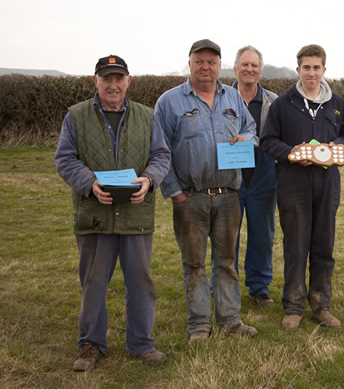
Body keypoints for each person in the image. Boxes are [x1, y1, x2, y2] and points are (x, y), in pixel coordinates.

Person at [55, 55, 171, 371]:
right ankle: (91, 345)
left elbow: (162, 156)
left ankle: (141, 344)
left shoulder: (148, 117)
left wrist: (149, 179)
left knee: (141, 282)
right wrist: (89, 183)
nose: (113, 85)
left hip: (135, 215)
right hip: (95, 214)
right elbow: (64, 159)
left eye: (119, 78)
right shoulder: (76, 116)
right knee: (93, 282)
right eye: (107, 79)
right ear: (96, 81)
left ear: (128, 82)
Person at [154, 39, 258, 342]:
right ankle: (199, 324)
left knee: (226, 261)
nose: (205, 67)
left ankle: (230, 319)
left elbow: (251, 129)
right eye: (199, 61)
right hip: (191, 197)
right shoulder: (170, 102)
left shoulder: (233, 97)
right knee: (194, 264)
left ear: (219, 65)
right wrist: (175, 192)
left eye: (212, 62)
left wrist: (247, 140)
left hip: (228, 196)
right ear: (189, 64)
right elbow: (160, 150)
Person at [260, 44, 344, 331]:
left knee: (323, 245)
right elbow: (267, 142)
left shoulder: (337, 103)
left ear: (324, 70)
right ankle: (293, 306)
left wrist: (338, 146)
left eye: (317, 68)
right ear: (298, 69)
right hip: (294, 184)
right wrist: (293, 153)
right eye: (306, 67)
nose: (311, 73)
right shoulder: (282, 105)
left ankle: (321, 305)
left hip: (328, 184)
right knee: (296, 246)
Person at [229, 46, 279, 308]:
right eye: (244, 65)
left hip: (263, 175)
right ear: (235, 68)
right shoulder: (220, 97)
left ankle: (259, 288)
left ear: (260, 69)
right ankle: (225, 286)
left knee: (262, 234)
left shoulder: (273, 101)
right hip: (229, 175)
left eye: (254, 65)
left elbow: (279, 138)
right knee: (227, 235)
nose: (249, 69)